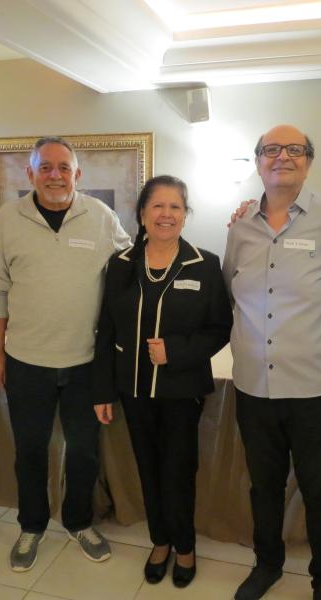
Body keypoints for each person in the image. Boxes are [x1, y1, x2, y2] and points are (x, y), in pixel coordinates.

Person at [0, 136, 130, 572]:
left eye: (64, 167)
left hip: (85, 362)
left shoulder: (101, 216)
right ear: (30, 173)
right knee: (30, 451)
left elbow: (132, 265)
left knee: (84, 452)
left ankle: (78, 521)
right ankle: (31, 526)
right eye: (45, 167)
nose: (55, 175)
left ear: (77, 174)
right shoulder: (6, 220)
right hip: (27, 362)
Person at [223, 125, 321, 600]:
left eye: (295, 149)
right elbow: (231, 292)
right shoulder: (240, 226)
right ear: (258, 162)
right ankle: (267, 564)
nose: (283, 157)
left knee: (320, 489)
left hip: (315, 390)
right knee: (264, 486)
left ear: (309, 162)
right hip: (254, 386)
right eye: (271, 149)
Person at [93, 175, 232, 588]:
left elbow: (220, 327)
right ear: (142, 214)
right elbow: (106, 330)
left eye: (175, 207)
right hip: (133, 389)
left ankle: (184, 546)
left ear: (185, 215)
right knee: (148, 469)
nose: (166, 214)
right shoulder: (120, 264)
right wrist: (103, 390)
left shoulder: (204, 264)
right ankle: (160, 541)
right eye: (157, 206)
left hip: (181, 391)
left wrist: (177, 351)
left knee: (178, 471)